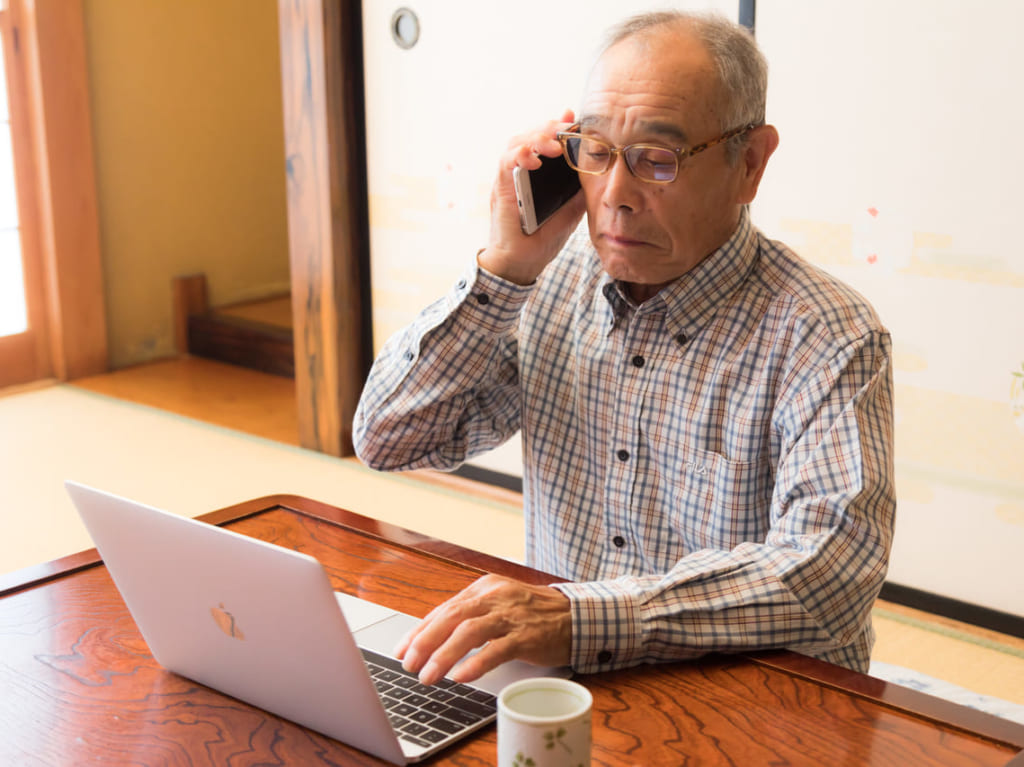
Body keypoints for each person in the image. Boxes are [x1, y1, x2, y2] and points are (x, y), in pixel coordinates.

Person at [353, 10, 895, 686]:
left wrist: (580, 619)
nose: (615, 196)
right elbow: (385, 440)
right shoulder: (548, 285)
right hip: (565, 684)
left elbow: (828, 571)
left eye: (656, 160)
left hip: (750, 697)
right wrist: (503, 270)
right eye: (597, 151)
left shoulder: (827, 332)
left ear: (749, 163)